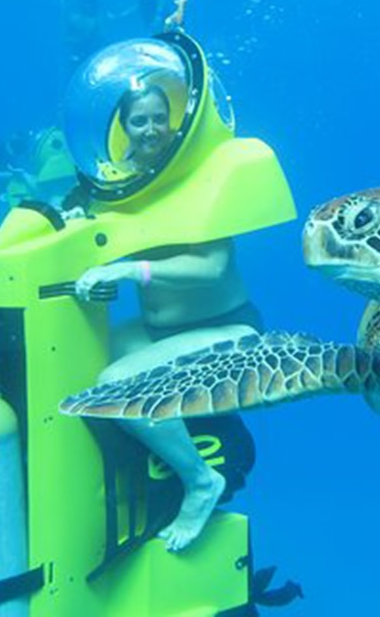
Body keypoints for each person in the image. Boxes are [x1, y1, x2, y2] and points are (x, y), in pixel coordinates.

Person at [71, 84, 258, 552]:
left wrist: (130, 270)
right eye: (140, 121)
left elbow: (212, 267)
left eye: (160, 118)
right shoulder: (118, 185)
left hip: (229, 328)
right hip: (158, 332)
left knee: (120, 383)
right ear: (123, 127)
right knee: (74, 375)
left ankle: (200, 481)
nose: (152, 129)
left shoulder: (199, 181)